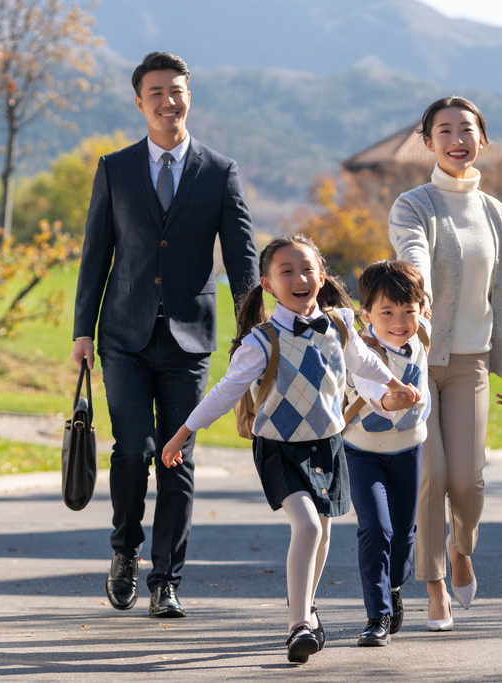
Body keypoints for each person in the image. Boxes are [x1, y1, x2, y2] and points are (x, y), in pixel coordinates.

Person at [160, 235, 421, 663]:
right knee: (310, 527)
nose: (299, 278)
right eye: (286, 271)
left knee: (322, 534)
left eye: (307, 269)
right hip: (280, 449)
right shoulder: (260, 343)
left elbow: (364, 363)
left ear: (321, 277)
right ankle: (299, 625)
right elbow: (225, 393)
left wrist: (395, 385)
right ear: (267, 284)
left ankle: (308, 609)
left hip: (328, 445)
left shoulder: (338, 325)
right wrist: (182, 433)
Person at [71, 52, 258, 619]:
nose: (168, 101)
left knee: (179, 457)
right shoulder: (115, 167)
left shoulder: (219, 171)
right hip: (123, 337)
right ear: (140, 102)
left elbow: (243, 257)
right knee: (132, 450)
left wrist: (254, 331)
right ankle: (124, 553)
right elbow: (95, 255)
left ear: (188, 98)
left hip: (189, 341)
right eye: (156, 92)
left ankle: (167, 580)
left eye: (177, 90)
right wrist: (83, 330)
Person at [388, 96, 502, 631]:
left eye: (466, 129)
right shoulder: (413, 204)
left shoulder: (495, 212)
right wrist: (416, 287)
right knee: (431, 476)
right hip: (419, 360)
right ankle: (435, 583)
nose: (456, 138)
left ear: (482, 140)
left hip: (470, 361)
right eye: (444, 130)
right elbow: (411, 251)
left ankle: (461, 547)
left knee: (467, 479)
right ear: (429, 143)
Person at [343, 260, 432, 646]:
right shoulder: (360, 352)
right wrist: (396, 398)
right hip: (362, 453)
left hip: (409, 449)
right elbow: (378, 398)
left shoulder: (424, 333)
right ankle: (377, 615)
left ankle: (394, 587)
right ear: (367, 315)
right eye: (386, 313)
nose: (399, 322)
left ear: (422, 311)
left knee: (404, 533)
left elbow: (425, 300)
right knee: (376, 529)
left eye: (407, 311)